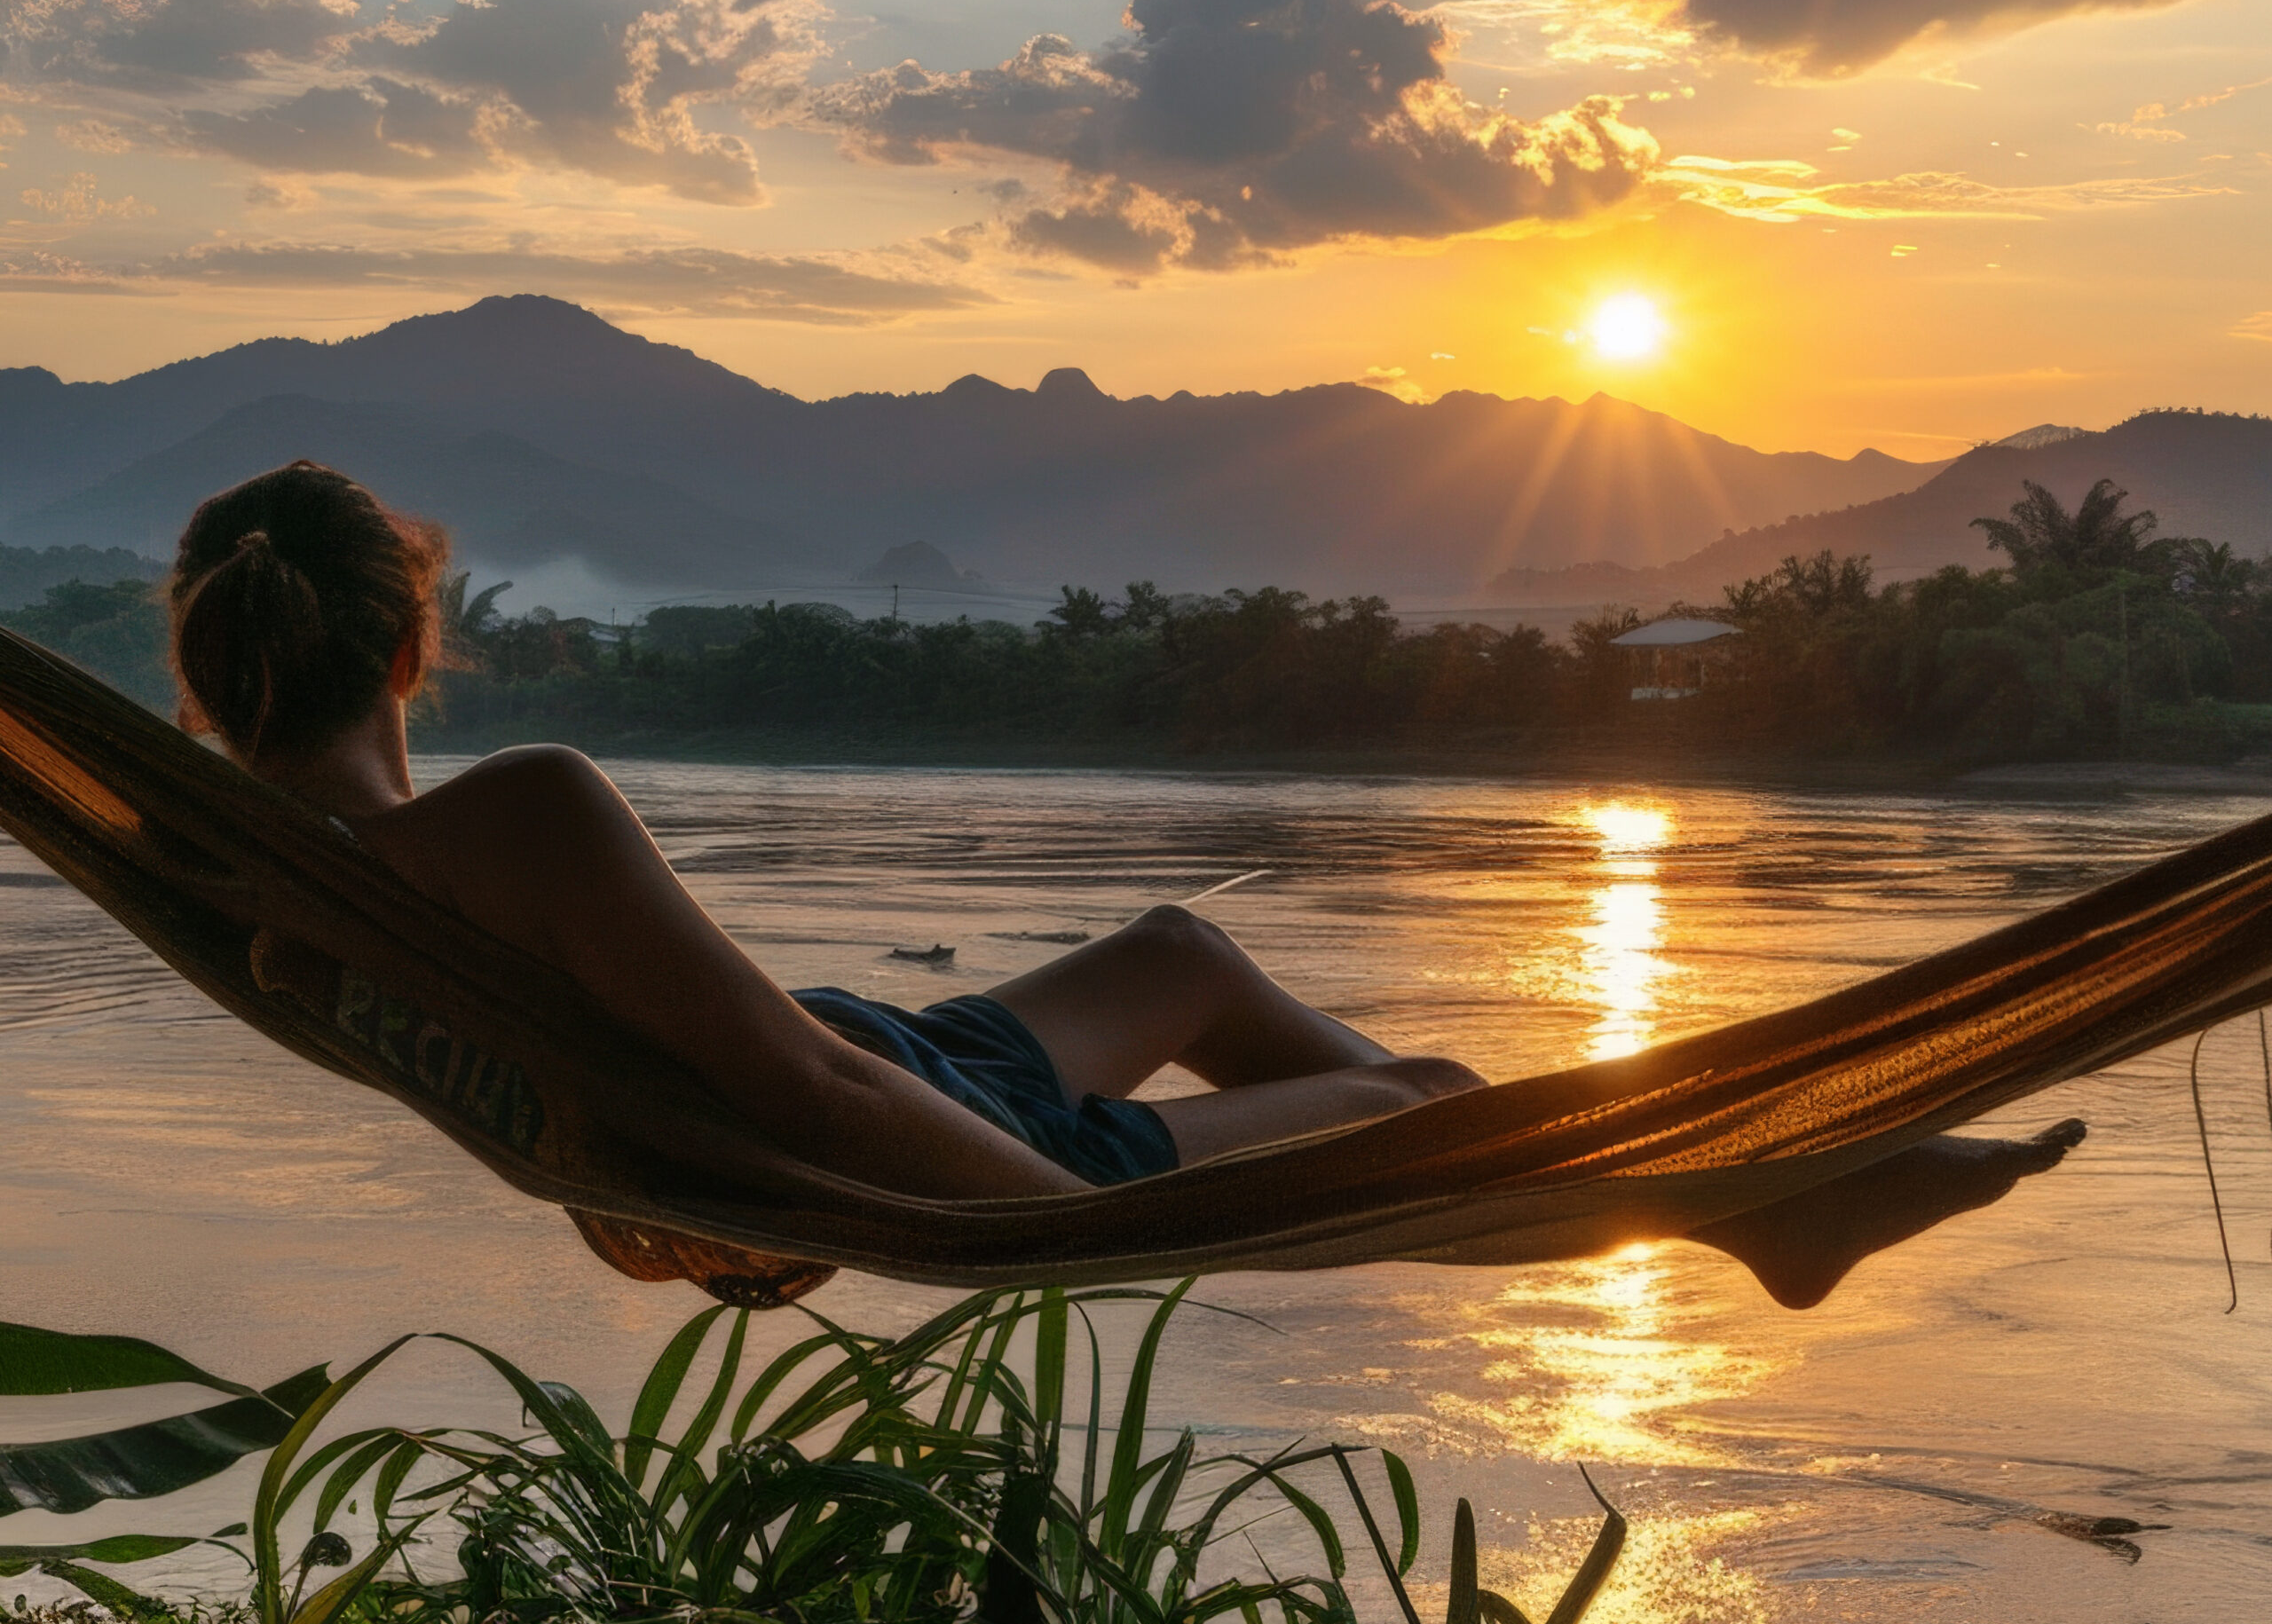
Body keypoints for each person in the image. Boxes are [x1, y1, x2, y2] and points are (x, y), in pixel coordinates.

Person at [169, 461, 2085, 1309]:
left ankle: (1755, 1196)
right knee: (1416, 1107)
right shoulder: (520, 807)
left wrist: (637, 1202)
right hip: (894, 1129)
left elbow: (557, 1097)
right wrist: (1067, 1229)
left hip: (882, 1063)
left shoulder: (227, 874)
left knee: (1181, 947)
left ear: (210, 667)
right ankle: (1748, 1205)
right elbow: (816, 1100)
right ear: (417, 639)